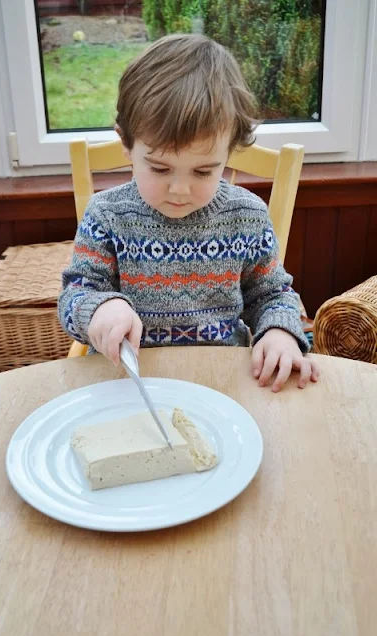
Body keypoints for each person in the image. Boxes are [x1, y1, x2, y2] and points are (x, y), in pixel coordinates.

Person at [58, 33, 319, 393]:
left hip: (224, 384)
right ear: (126, 146)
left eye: (203, 171)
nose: (179, 189)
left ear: (229, 153)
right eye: (160, 169)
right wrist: (99, 310)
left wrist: (279, 331)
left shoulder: (246, 215)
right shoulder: (106, 216)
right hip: (132, 383)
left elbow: (273, 294)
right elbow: (76, 294)